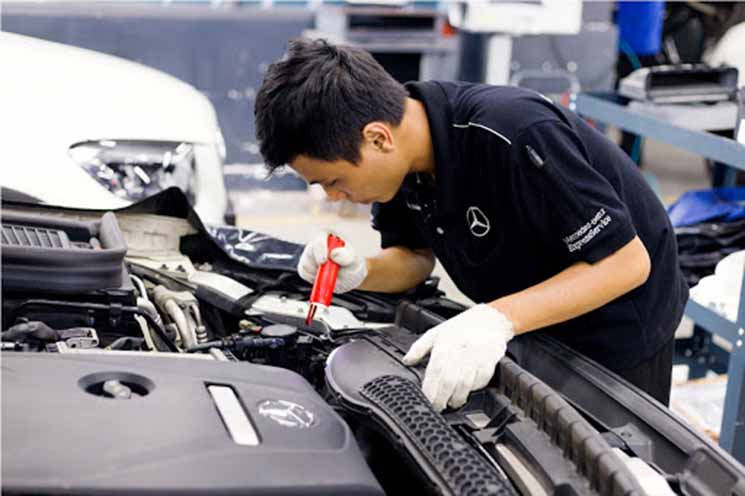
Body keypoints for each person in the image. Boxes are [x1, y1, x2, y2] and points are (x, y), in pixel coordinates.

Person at [254, 38, 689, 412]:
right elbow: (415, 259)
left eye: (333, 181)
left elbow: (626, 263)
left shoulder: (515, 132)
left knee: (606, 463)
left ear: (377, 138)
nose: (334, 197)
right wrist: (362, 271)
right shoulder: (403, 159)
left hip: (617, 329)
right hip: (528, 318)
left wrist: (497, 319)